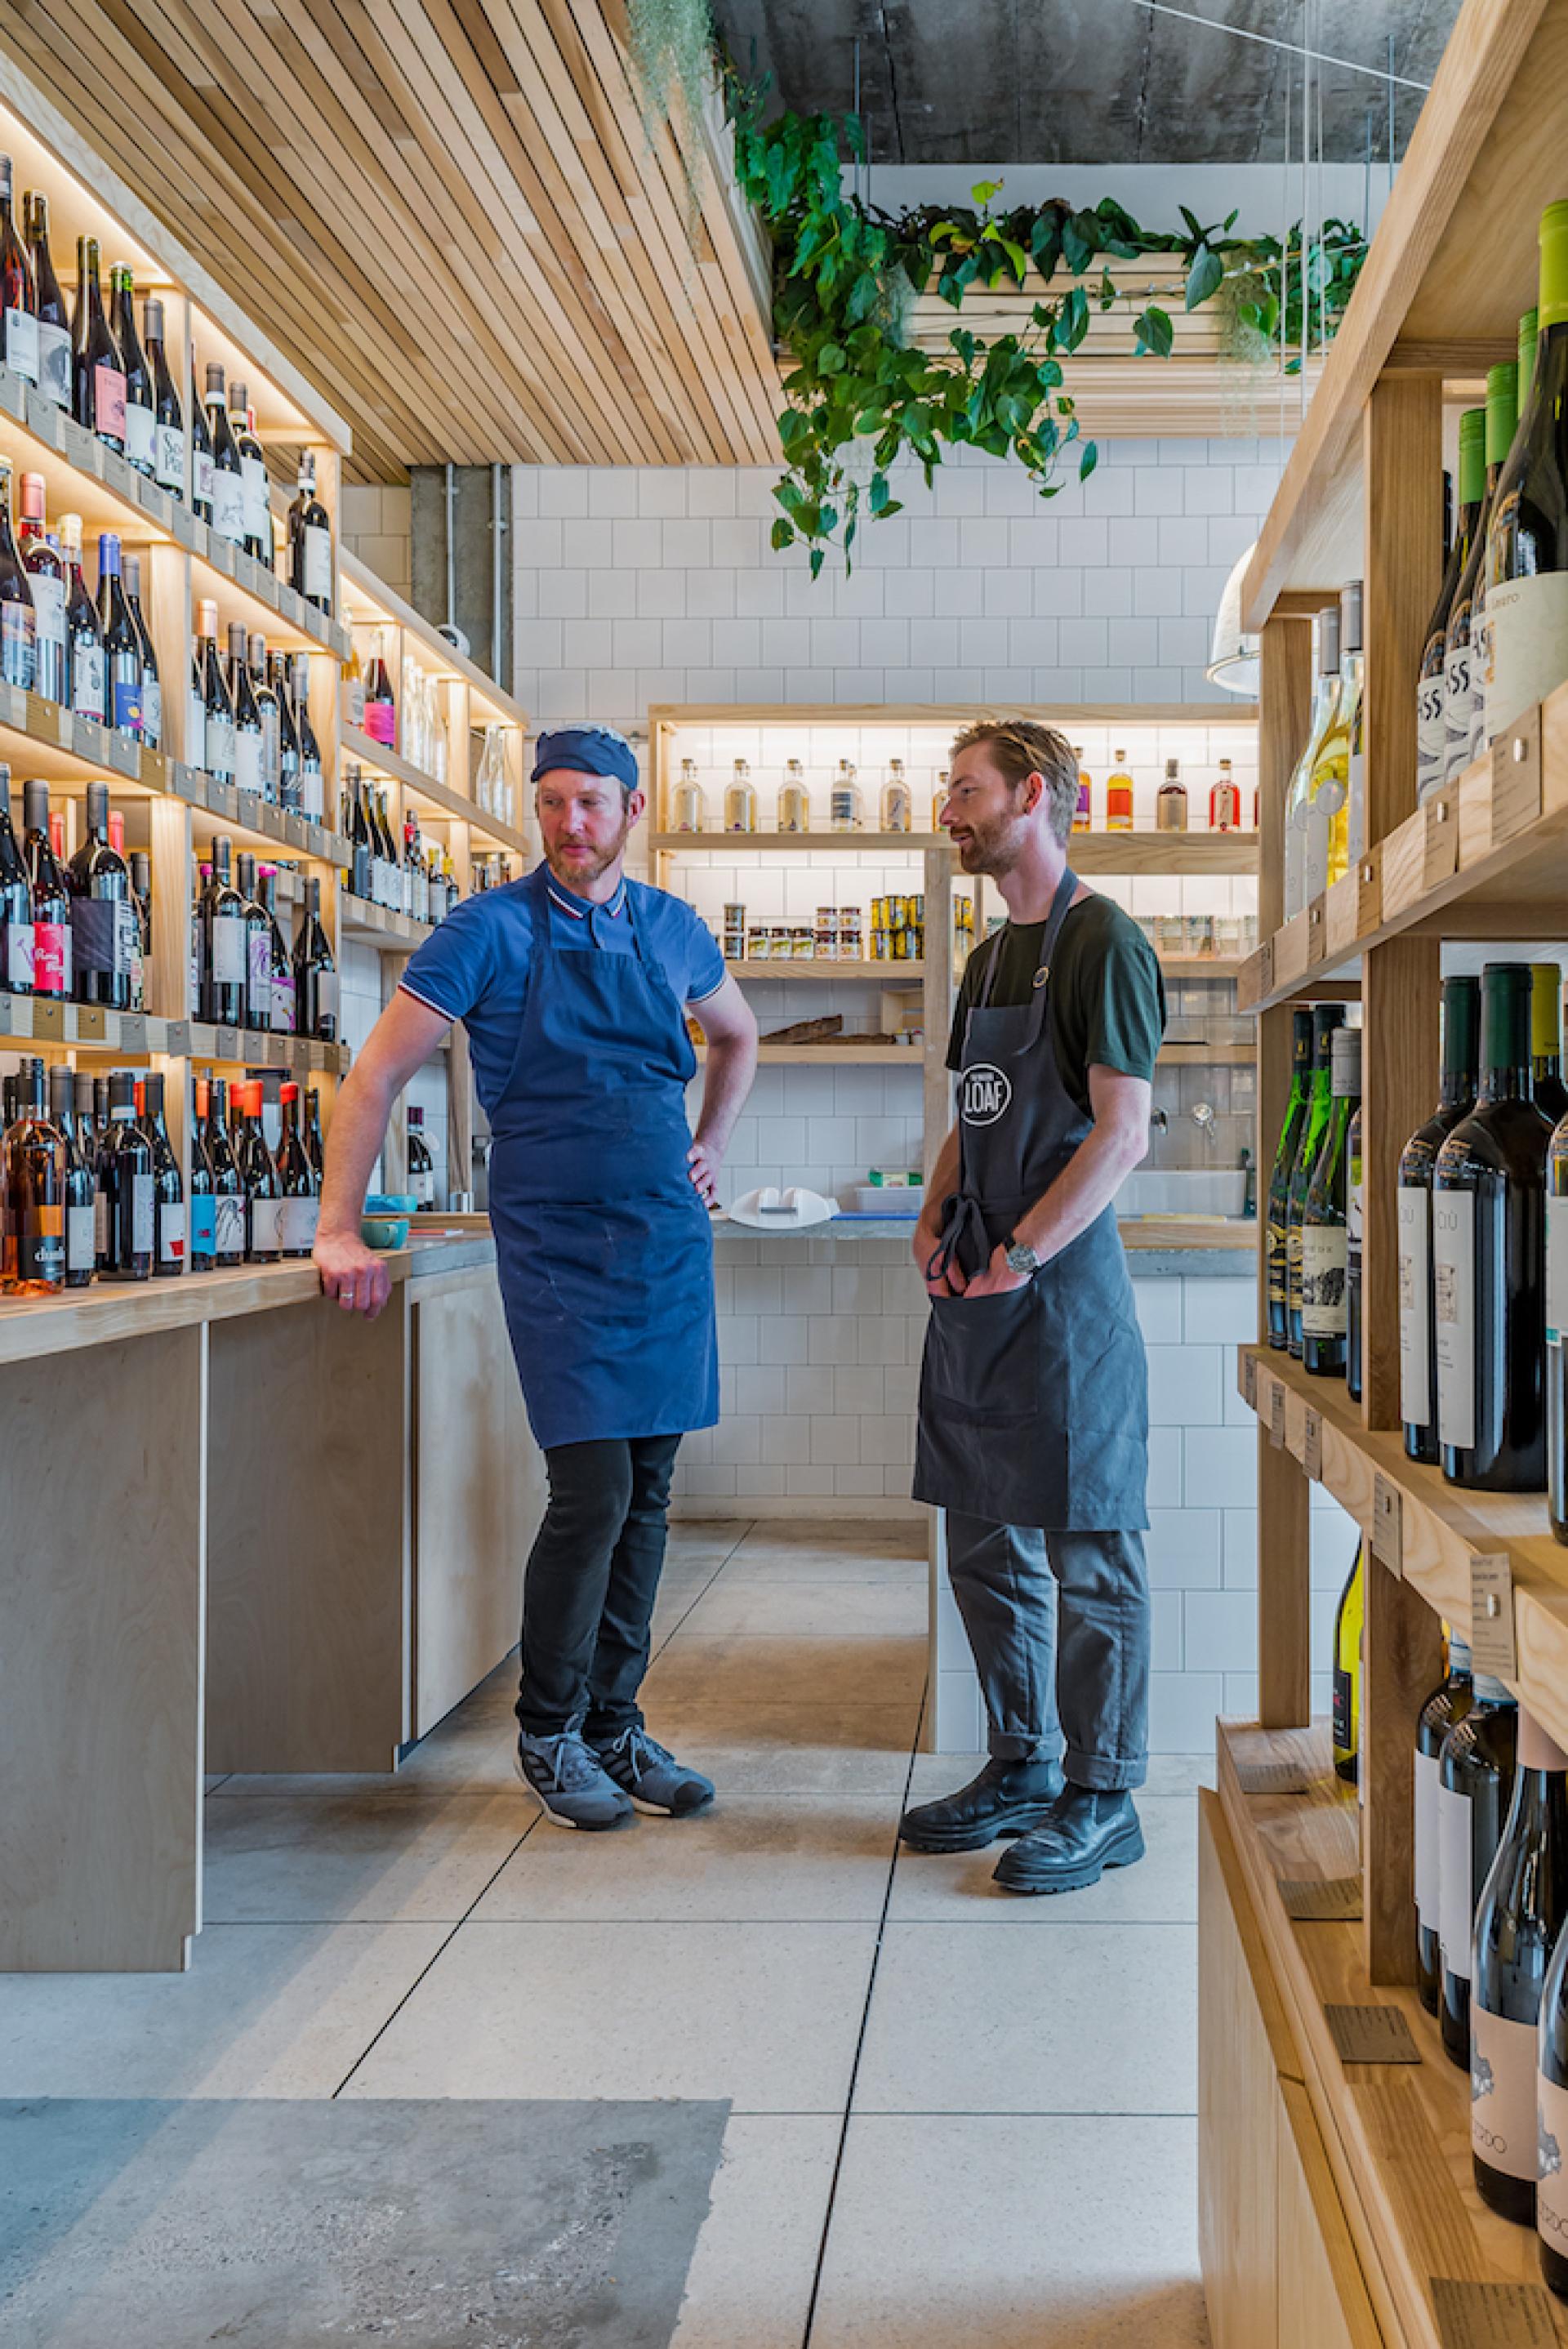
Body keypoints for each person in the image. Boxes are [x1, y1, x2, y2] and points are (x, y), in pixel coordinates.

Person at [314, 724, 758, 1832]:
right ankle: (551, 1729)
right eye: (553, 803)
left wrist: (713, 1143)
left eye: (593, 804)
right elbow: (373, 1078)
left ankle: (616, 1725)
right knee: (594, 1489)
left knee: (651, 1492)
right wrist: (338, 1229)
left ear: (633, 810)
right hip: (556, 1238)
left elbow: (741, 1039)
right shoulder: (487, 931)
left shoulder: (673, 929)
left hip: (662, 1232)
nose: (571, 824)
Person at [902, 720, 1163, 1894]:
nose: (948, 810)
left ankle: (1103, 1797)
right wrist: (936, 1211)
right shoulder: (989, 957)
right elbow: (977, 1107)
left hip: (1056, 1300)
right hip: (978, 1288)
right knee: (982, 1542)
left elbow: (1122, 1134)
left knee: (1090, 1550)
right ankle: (1020, 1761)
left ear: (1035, 796)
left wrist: (1019, 1251)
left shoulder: (1101, 940)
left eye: (966, 789)